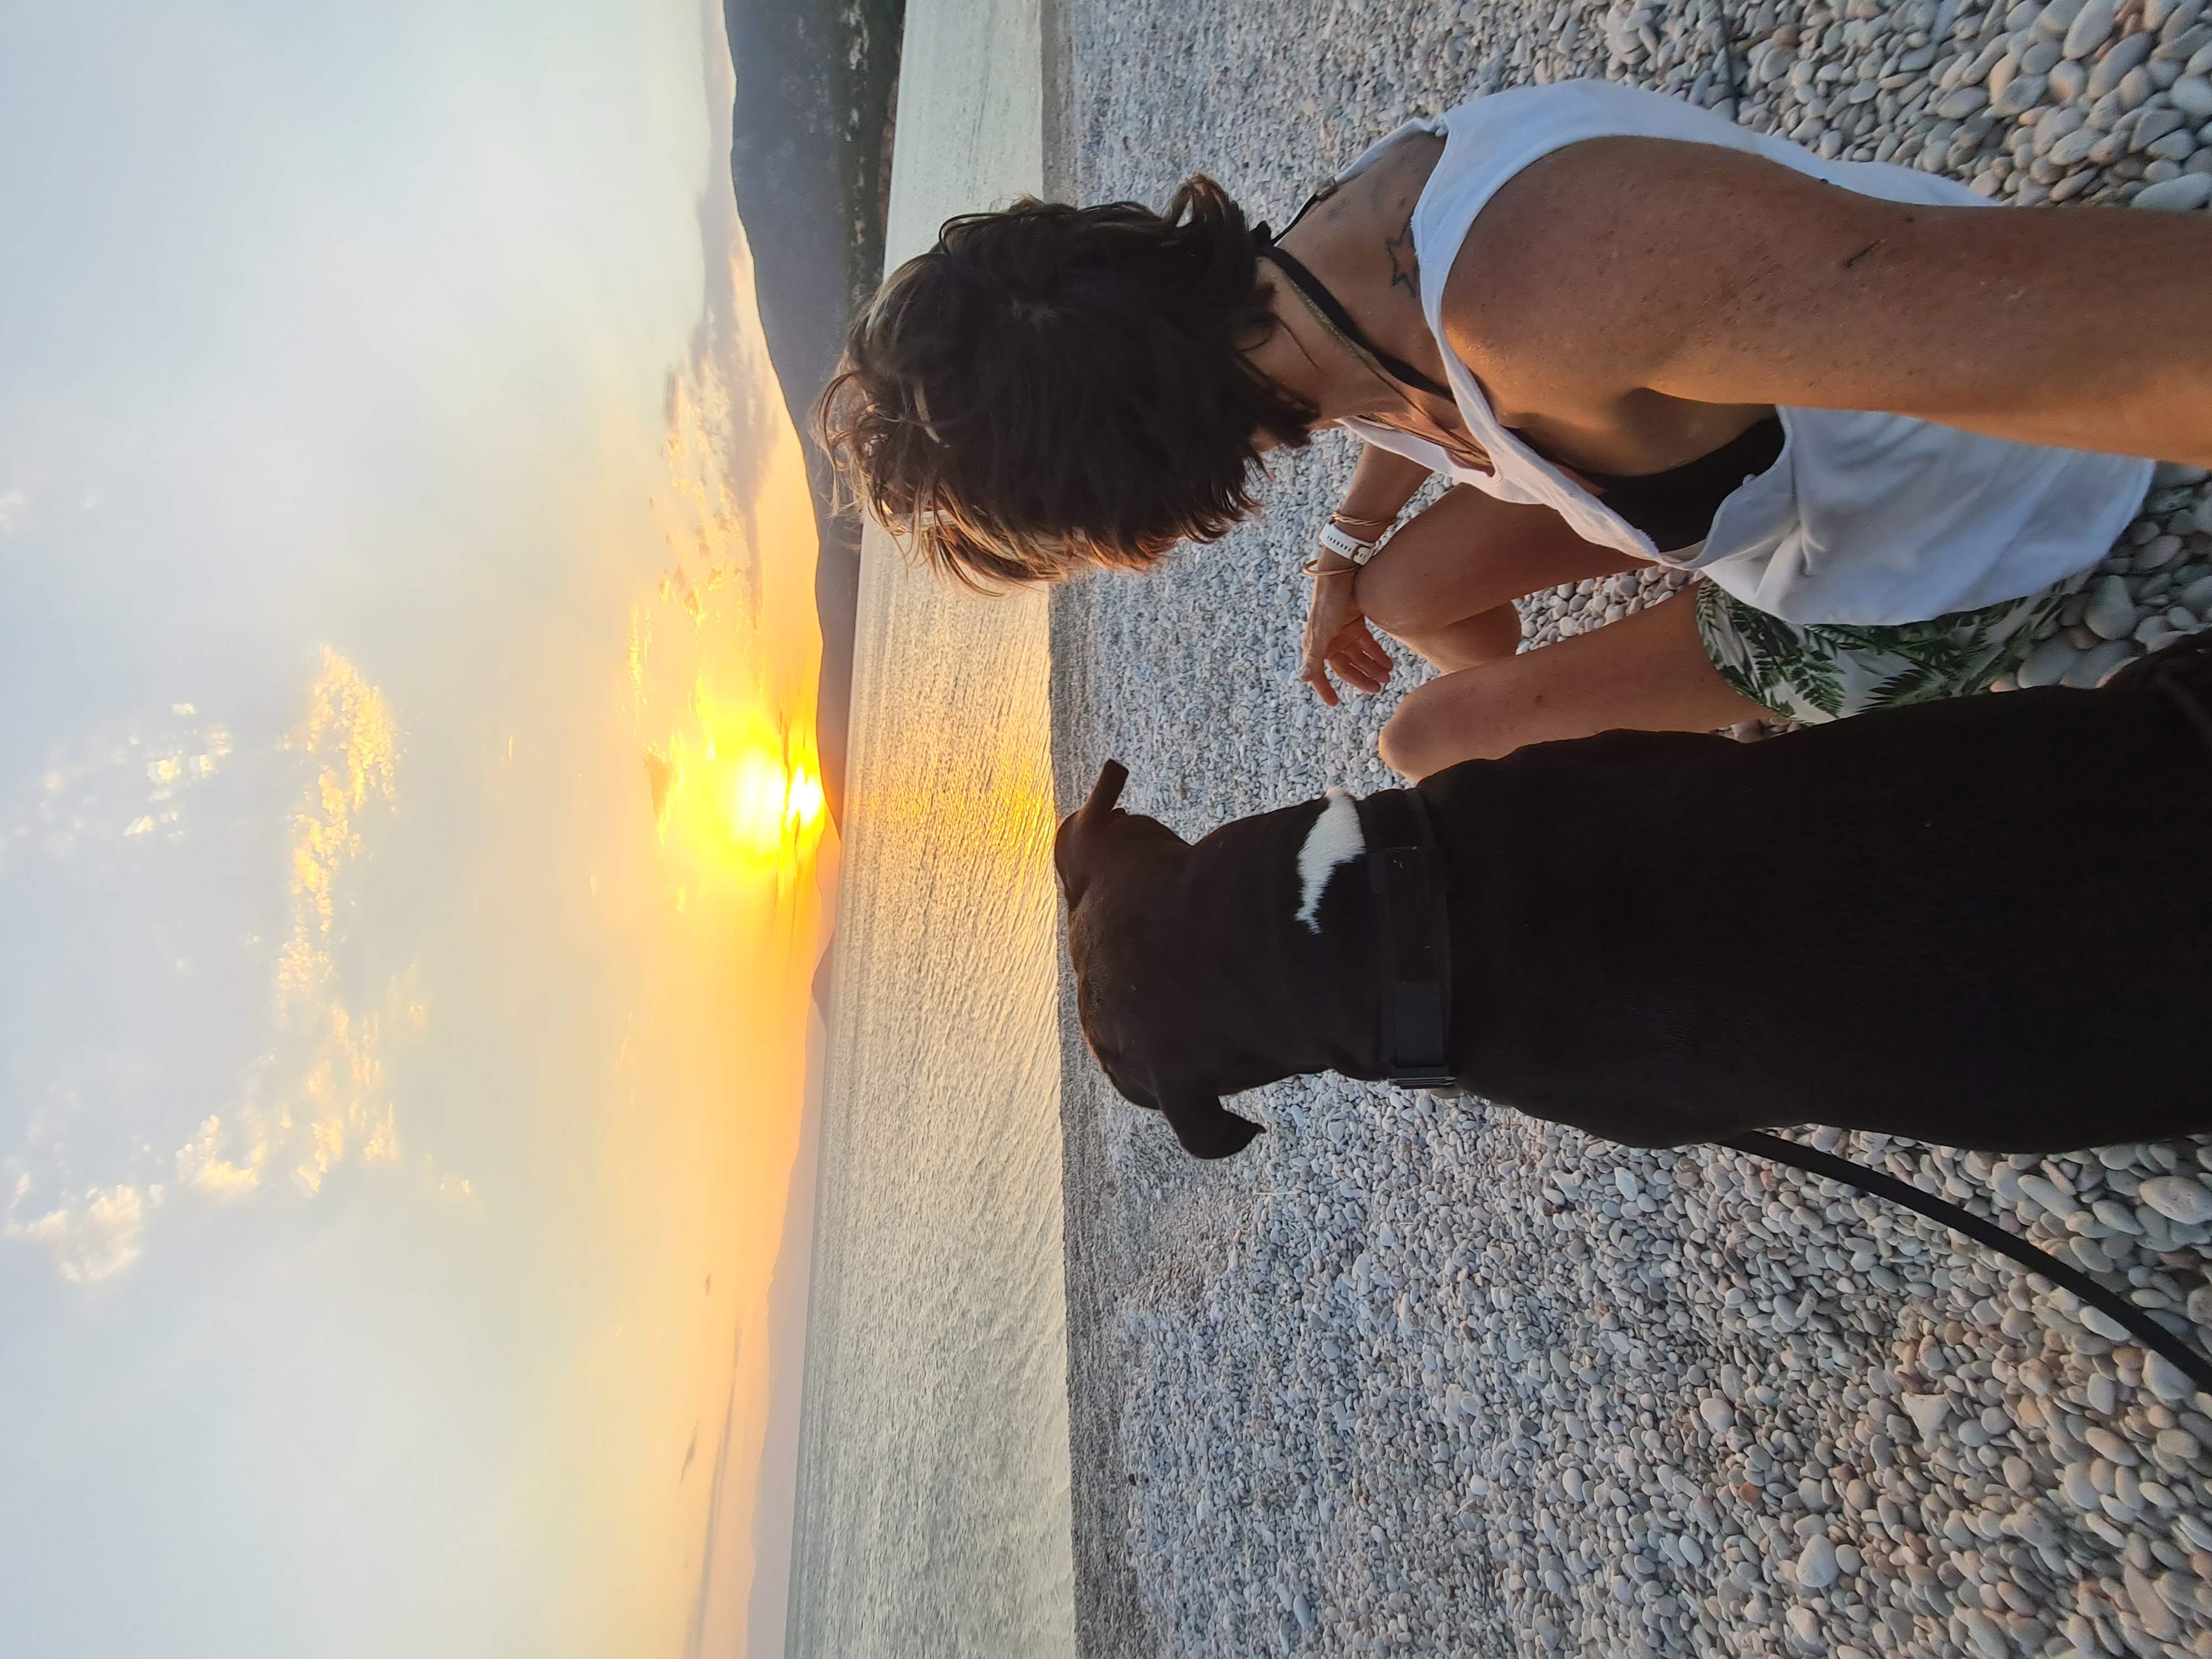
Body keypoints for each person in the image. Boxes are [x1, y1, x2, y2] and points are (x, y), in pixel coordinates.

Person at [817, 80, 2209, 779]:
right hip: (1770, 470)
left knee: (1422, 745)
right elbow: (1400, 397)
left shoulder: (1542, 288)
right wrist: (1338, 549)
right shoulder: (1321, 272)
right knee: (1400, 592)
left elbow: (2147, 344)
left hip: (1941, 548)